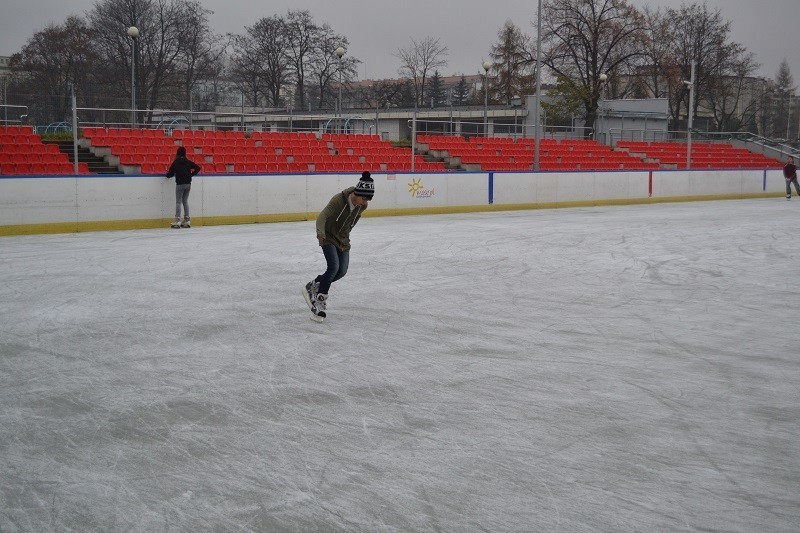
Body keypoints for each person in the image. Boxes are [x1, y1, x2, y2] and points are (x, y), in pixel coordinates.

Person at [302, 171, 375, 321]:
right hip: (327, 236)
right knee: (333, 267)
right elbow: (322, 216)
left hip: (343, 240)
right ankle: (319, 302)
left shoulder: (363, 205)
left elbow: (355, 218)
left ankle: (314, 284)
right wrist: (320, 233)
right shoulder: (339, 200)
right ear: (357, 192)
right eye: (363, 199)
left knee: (342, 271)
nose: (364, 203)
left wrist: (347, 232)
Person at [166, 146, 201, 227]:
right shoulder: (188, 161)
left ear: (177, 153)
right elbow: (198, 168)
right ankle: (187, 220)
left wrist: (167, 175)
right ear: (185, 153)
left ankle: (178, 220)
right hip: (188, 184)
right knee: (185, 201)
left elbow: (170, 174)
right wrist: (191, 175)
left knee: (178, 202)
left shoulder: (176, 162)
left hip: (180, 184)